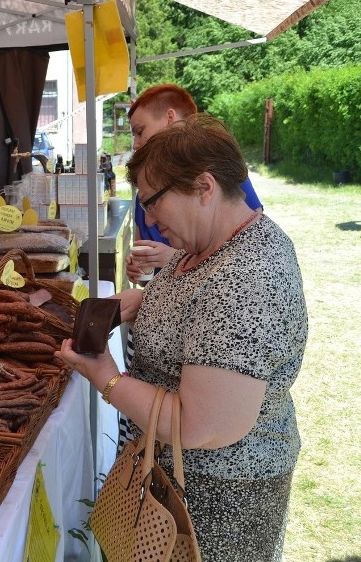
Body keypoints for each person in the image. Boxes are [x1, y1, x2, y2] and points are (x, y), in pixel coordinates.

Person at [56, 114, 307, 561]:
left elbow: (200, 425)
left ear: (204, 187)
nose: (147, 216)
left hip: (214, 504)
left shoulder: (246, 279)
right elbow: (193, 308)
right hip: (168, 481)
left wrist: (106, 378)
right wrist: (144, 301)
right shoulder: (207, 244)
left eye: (153, 201)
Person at [125, 84, 263, 283]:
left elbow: (247, 247)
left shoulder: (220, 168)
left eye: (140, 131)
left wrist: (175, 260)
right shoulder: (147, 193)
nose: (136, 144)